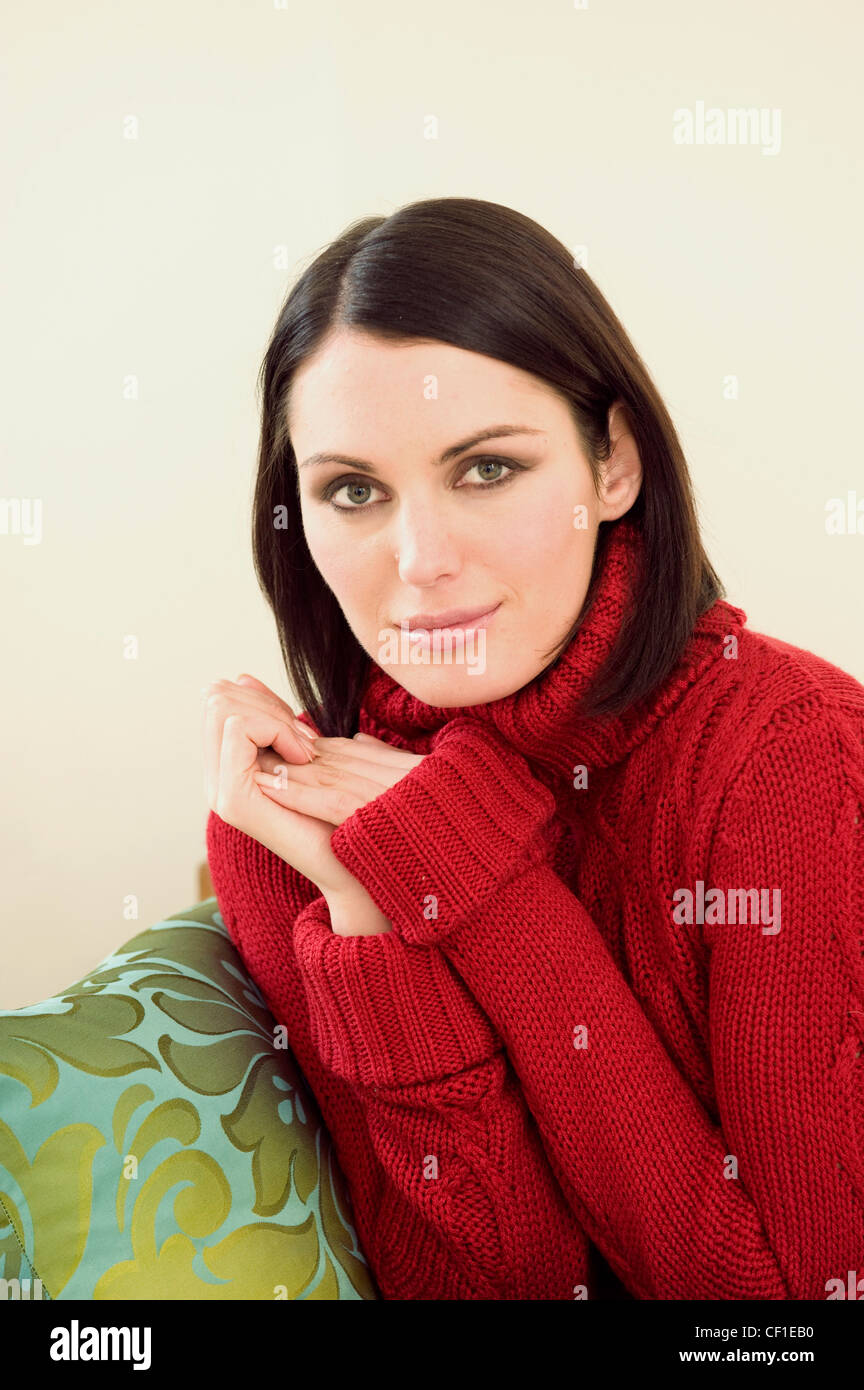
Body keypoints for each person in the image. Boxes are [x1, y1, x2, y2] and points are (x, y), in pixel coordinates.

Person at [204, 196, 864, 1300]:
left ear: (614, 463)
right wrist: (372, 914)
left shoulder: (793, 759)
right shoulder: (293, 827)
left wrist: (487, 892)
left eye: (485, 469)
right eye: (353, 490)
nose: (420, 559)